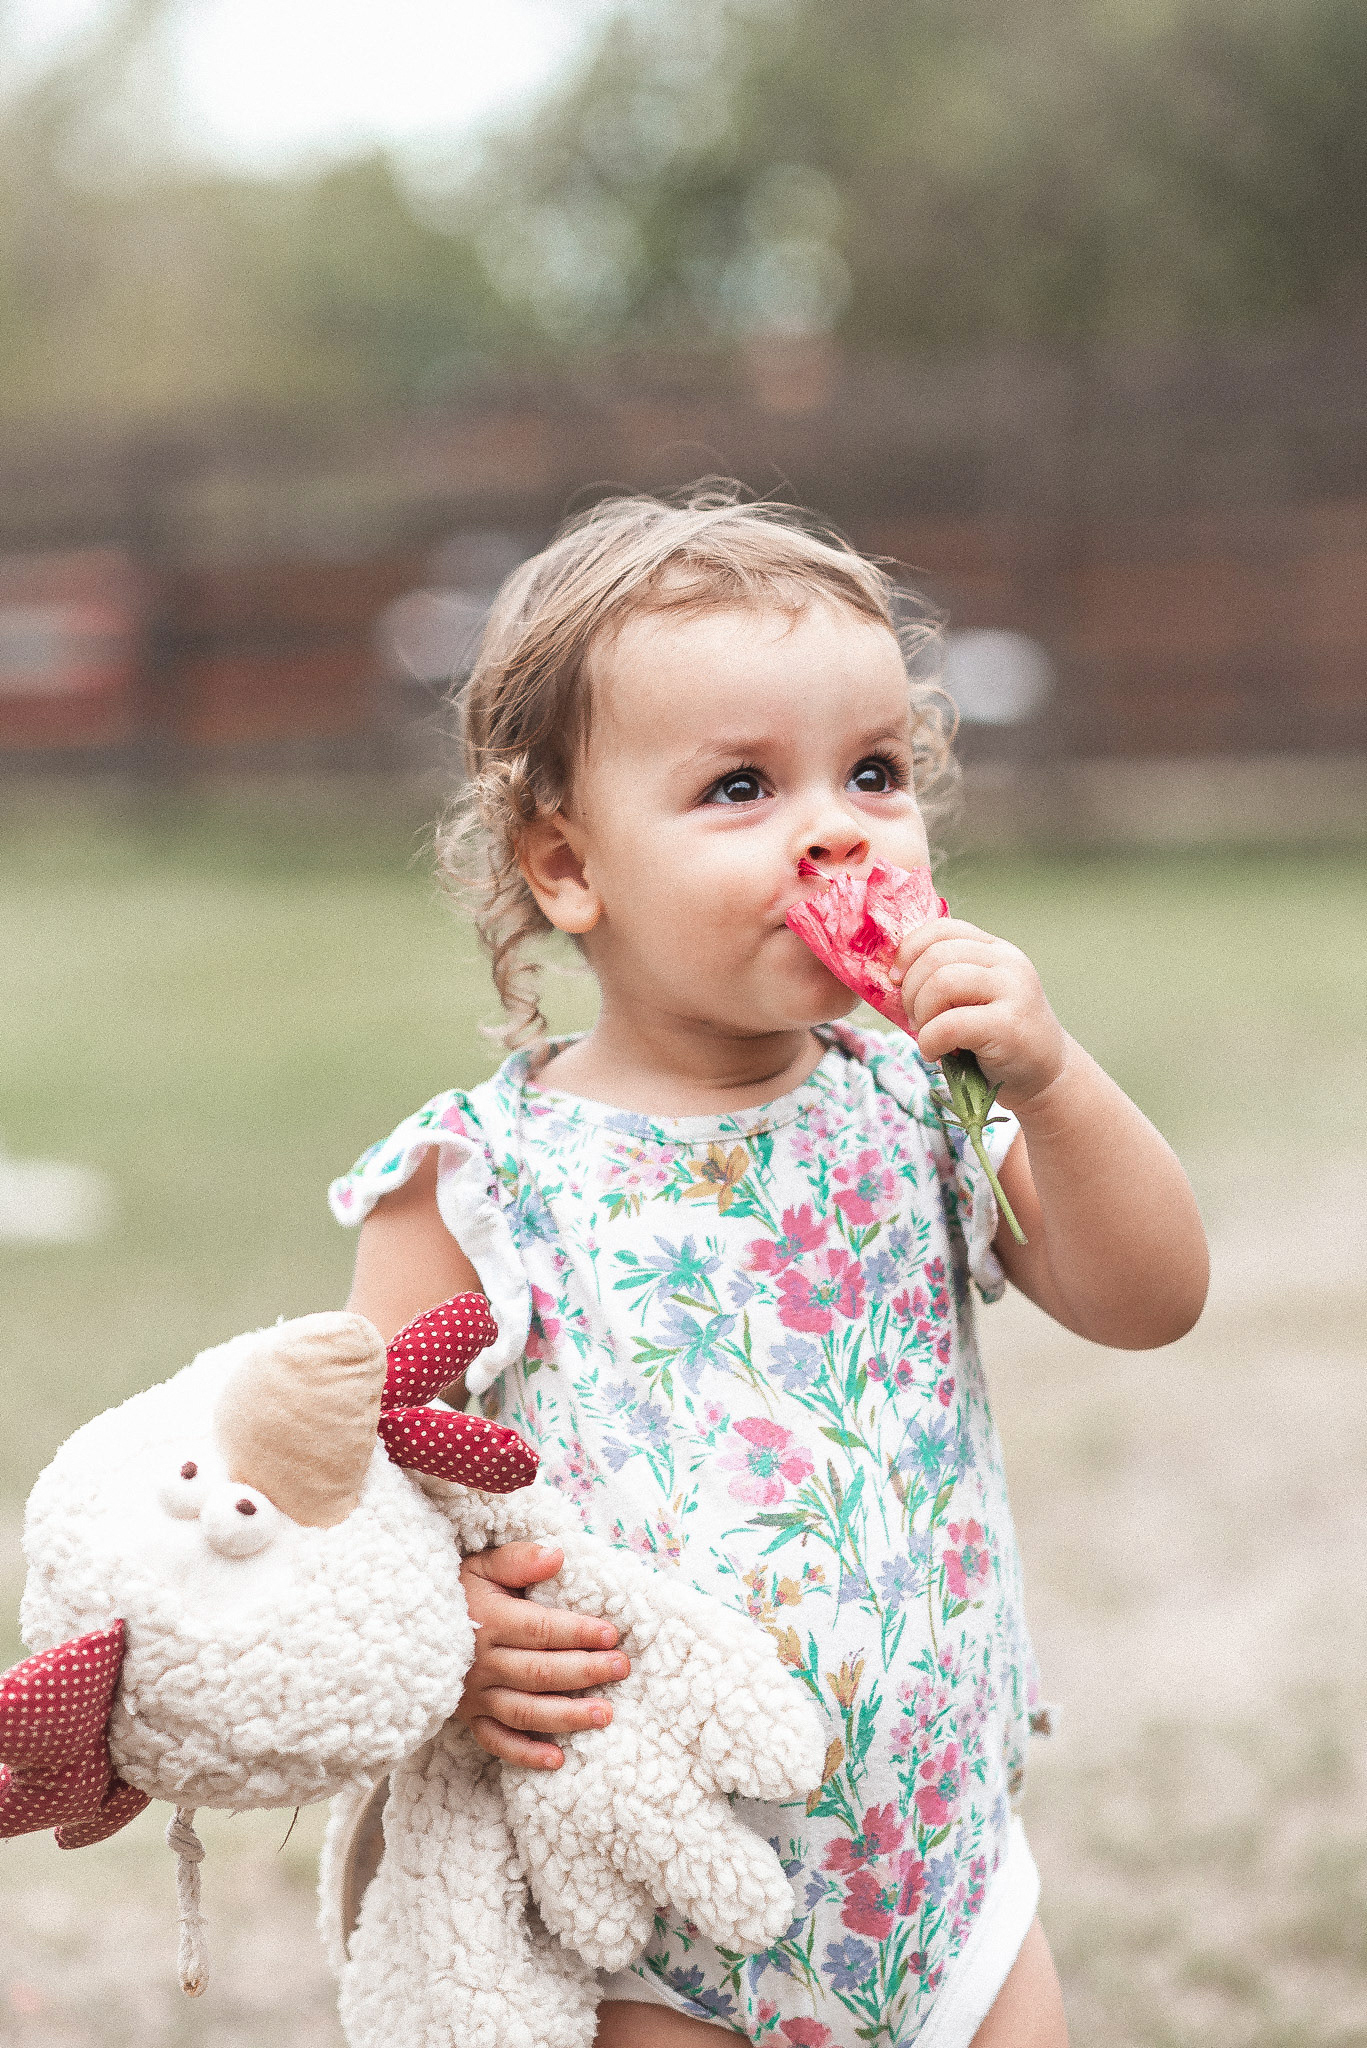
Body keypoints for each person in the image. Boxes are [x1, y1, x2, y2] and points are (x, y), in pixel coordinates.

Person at [332, 490, 1208, 2048]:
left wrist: (1054, 1084)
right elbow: (343, 1507)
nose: (837, 826)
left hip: (946, 1877)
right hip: (654, 1916)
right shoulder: (478, 1181)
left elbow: (1153, 1296)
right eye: (742, 785)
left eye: (874, 772)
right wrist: (452, 1635)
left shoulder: (916, 1100)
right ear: (566, 868)